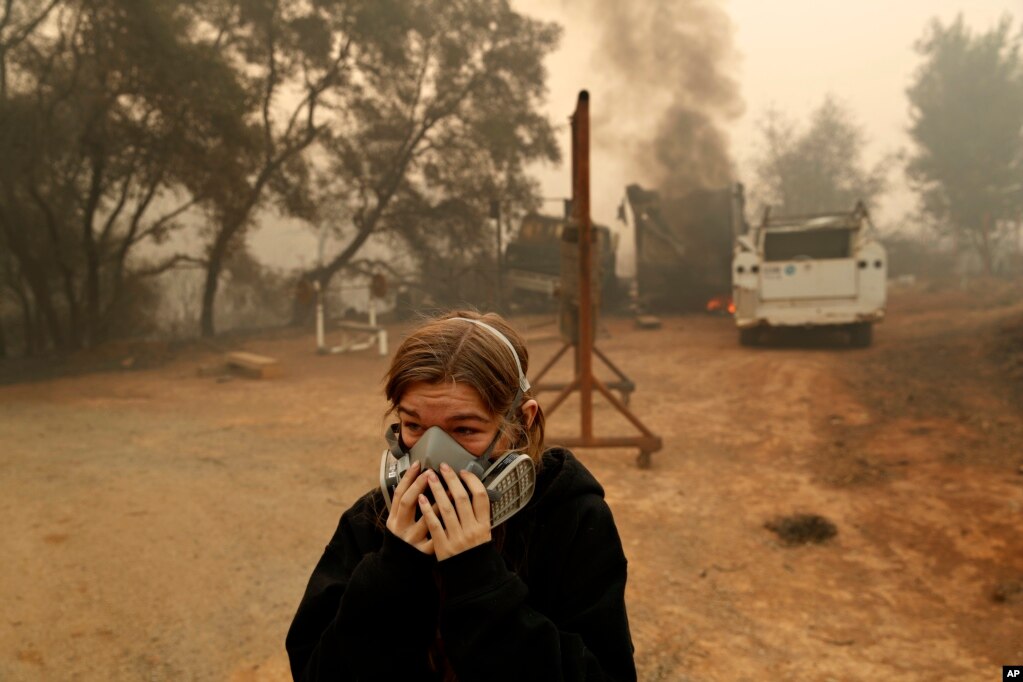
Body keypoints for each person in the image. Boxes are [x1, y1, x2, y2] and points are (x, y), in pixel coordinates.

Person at [285, 311, 636, 681]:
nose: (432, 455)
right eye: (414, 425)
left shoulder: (573, 518)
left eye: (465, 429)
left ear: (523, 420)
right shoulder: (370, 523)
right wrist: (392, 572)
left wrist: (477, 578)